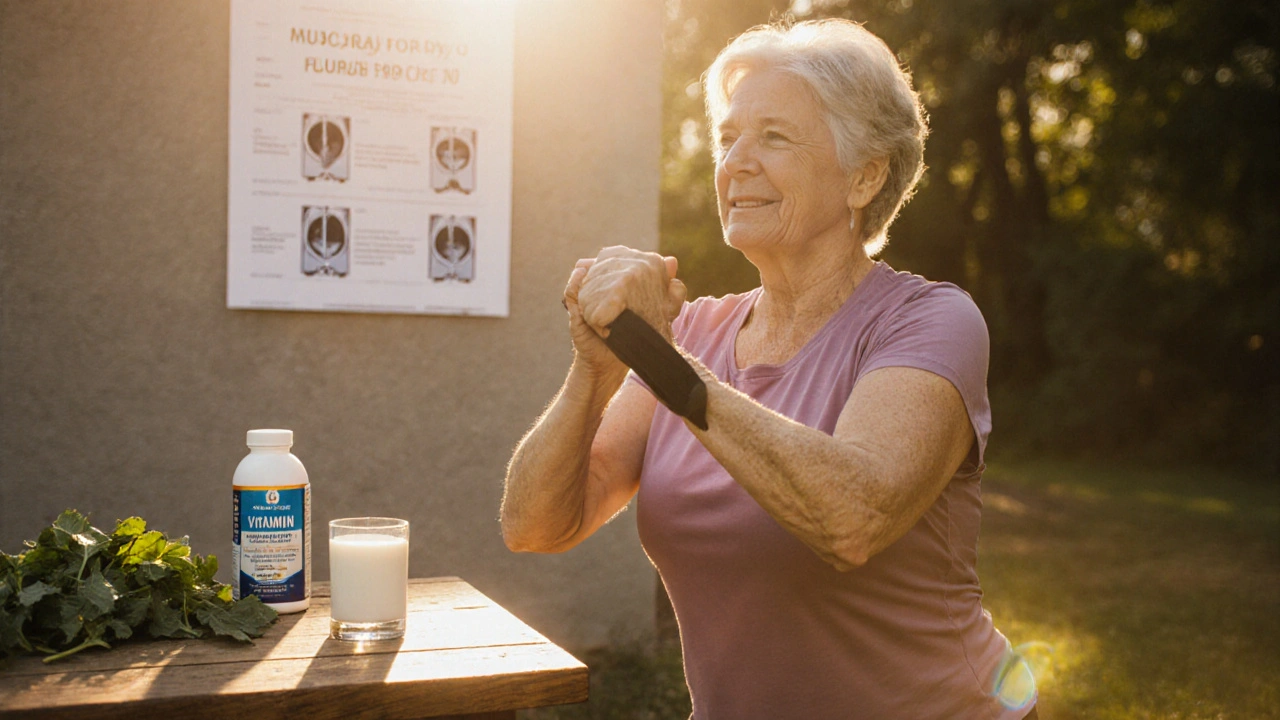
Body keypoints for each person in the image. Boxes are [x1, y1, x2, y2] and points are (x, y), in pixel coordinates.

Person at [501, 18, 1035, 720]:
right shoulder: (693, 332)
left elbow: (853, 517)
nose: (734, 163)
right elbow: (536, 525)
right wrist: (595, 366)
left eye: (774, 137)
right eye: (728, 139)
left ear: (865, 176)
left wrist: (664, 361)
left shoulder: (928, 321)